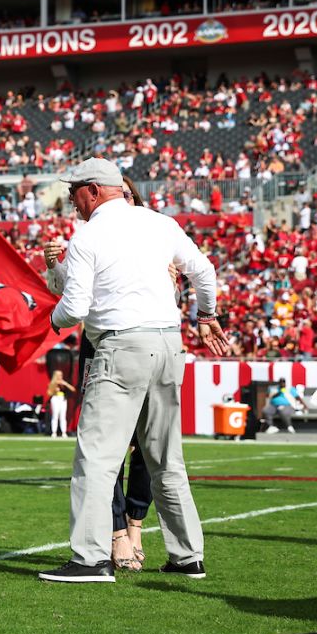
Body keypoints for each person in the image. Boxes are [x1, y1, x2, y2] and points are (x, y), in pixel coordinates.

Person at [39, 158, 229, 584]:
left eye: (74, 192)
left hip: (120, 345)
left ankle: (90, 559)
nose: (71, 200)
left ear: (93, 190)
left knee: (97, 458)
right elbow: (204, 270)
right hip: (168, 343)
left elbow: (75, 309)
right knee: (166, 458)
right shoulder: (159, 223)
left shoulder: (89, 236)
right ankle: (187, 555)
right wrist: (207, 314)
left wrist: (51, 321)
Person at [45, 175, 157, 571]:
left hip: (150, 338)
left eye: (127, 196)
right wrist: (55, 268)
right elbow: (75, 294)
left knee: (148, 445)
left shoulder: (153, 231)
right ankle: (114, 533)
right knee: (104, 443)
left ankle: (135, 523)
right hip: (103, 339)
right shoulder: (90, 236)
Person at [46, 370, 75, 438]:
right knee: (55, 415)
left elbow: (73, 389)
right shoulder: (52, 383)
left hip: (63, 399)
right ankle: (54, 432)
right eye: (58, 375)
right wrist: (54, 390)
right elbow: (49, 393)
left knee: (63, 416)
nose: (60, 376)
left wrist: (66, 384)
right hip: (55, 398)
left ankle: (64, 432)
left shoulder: (64, 383)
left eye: (61, 375)